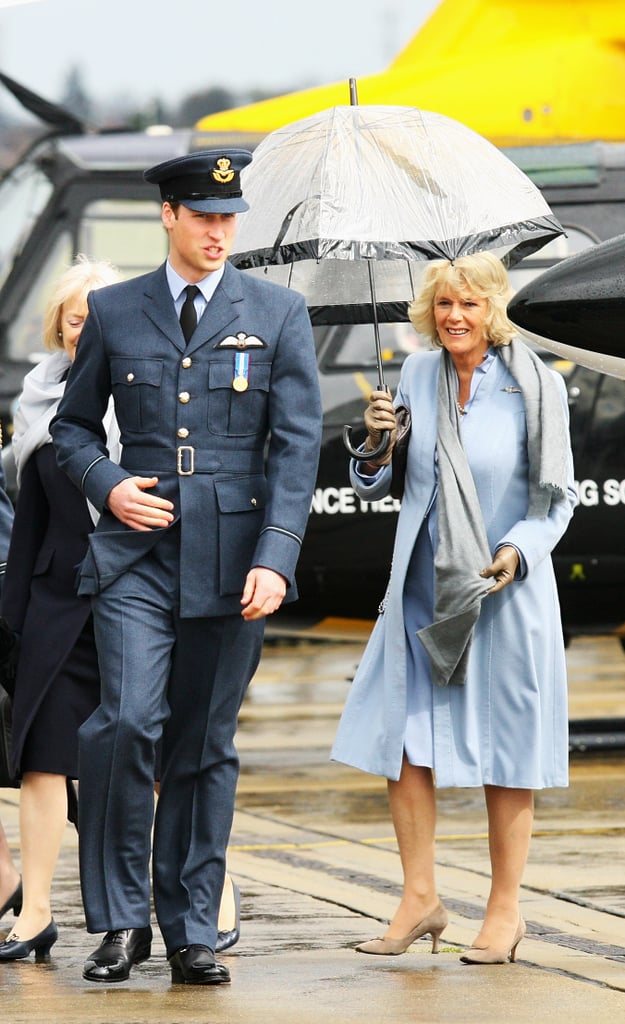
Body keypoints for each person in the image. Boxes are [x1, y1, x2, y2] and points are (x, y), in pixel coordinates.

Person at [50, 148, 322, 986]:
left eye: (228, 218)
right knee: (126, 724)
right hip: (137, 554)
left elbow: (296, 444)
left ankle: (191, 927)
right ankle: (122, 920)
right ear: (166, 216)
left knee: (204, 746)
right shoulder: (115, 309)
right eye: (202, 217)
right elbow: (71, 430)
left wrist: (277, 557)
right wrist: (110, 485)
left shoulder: (275, 312)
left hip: (234, 559)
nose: (217, 232)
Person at [331, 251, 577, 966]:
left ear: (493, 308)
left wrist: (518, 551)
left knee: (509, 749)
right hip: (421, 590)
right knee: (403, 744)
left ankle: (504, 911)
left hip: (504, 590)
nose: (454, 317)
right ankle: (420, 900)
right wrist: (374, 446)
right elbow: (381, 482)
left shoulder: (535, 385)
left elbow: (553, 498)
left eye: (467, 304)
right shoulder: (415, 374)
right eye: (442, 304)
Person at [0, 256, 121, 964]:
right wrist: (13, 622)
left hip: (129, 600)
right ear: (61, 326)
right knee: (42, 760)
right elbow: (32, 517)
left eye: (102, 318)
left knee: (138, 759)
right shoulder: (36, 400)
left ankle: (184, 899)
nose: (89, 331)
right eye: (79, 319)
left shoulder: (147, 399)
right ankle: (36, 912)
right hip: (53, 601)